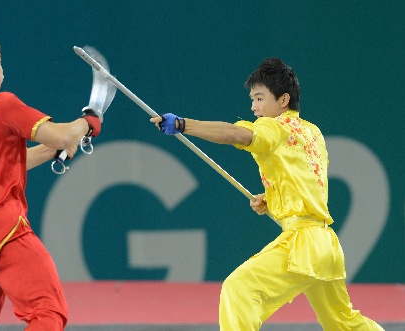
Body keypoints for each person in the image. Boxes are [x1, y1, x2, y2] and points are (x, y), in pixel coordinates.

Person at [150, 58, 384, 330]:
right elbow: (304, 179)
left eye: (260, 98)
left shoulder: (273, 127)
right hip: (327, 245)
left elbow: (235, 134)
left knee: (239, 289)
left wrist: (183, 124)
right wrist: (272, 198)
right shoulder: (312, 132)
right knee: (344, 322)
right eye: (252, 99)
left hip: (303, 244)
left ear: (283, 100)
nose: (254, 107)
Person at [0, 28, 101, 330]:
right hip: (5, 232)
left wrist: (54, 149)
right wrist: (88, 123)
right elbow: (64, 134)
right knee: (48, 312)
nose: (2, 68)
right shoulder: (3, 105)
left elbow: (4, 165)